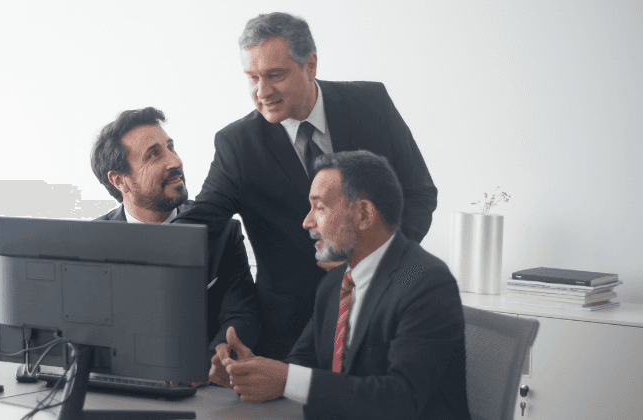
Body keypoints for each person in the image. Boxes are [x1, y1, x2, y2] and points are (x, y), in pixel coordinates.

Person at [175, 12, 438, 362]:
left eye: (275, 75)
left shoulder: (371, 104)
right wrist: (131, 240)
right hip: (288, 334)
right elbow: (201, 222)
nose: (262, 92)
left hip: (381, 315)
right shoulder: (237, 145)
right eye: (252, 78)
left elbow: (419, 193)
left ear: (310, 65)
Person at [210, 150, 469, 419]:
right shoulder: (335, 283)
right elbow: (301, 365)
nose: (307, 221)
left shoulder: (424, 281)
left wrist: (286, 378)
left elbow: (400, 399)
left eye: (319, 207)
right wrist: (250, 372)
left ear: (364, 214)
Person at [90, 107, 261, 365]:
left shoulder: (222, 231)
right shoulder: (91, 243)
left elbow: (241, 313)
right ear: (119, 180)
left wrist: (209, 362)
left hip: (201, 383)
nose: (175, 161)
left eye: (171, 147)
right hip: (119, 380)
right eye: (154, 155)